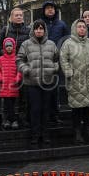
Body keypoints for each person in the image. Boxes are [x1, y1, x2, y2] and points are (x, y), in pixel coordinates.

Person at [17, 19, 59, 148]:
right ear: (33, 30)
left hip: (48, 82)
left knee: (46, 110)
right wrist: (25, 69)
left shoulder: (52, 44)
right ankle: (35, 135)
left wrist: (54, 69)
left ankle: (45, 135)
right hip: (32, 83)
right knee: (35, 110)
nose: (39, 30)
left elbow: (57, 60)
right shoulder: (26, 44)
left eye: (41, 28)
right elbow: (19, 60)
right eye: (36, 28)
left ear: (44, 30)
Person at [60, 19, 89, 143]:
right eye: (79, 26)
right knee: (77, 110)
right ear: (74, 28)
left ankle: (88, 132)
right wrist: (68, 72)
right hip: (76, 81)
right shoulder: (68, 43)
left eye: (84, 27)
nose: (82, 29)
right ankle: (77, 133)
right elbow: (63, 59)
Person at [0, 7, 30, 127]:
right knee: (7, 96)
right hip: (8, 66)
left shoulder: (28, 30)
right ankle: (7, 119)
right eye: (17, 15)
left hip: (22, 66)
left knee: (23, 95)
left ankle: (21, 118)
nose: (19, 17)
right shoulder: (6, 29)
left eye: (21, 15)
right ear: (11, 17)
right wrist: (6, 57)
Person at [41, 1, 69, 125]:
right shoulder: (40, 24)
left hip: (57, 61)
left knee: (55, 90)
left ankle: (55, 114)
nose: (50, 10)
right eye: (47, 8)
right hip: (42, 60)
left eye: (52, 8)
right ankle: (45, 114)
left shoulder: (62, 24)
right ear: (44, 11)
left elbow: (67, 41)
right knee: (44, 89)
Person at [0, 37, 21, 130]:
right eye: (7, 46)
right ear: (4, 47)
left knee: (13, 104)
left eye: (10, 46)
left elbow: (20, 71)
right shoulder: (0, 59)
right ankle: (8, 120)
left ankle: (12, 120)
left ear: (13, 47)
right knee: (6, 104)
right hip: (4, 85)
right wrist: (0, 78)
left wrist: (17, 78)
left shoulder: (17, 59)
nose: (9, 47)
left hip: (13, 85)